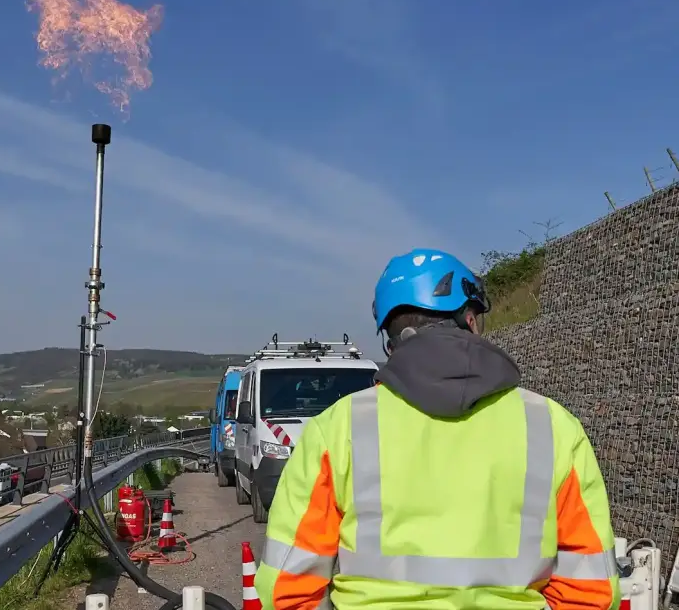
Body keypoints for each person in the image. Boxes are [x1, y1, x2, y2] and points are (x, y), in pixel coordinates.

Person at [253, 248, 620, 610]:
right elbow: (591, 589)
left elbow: (287, 588)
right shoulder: (553, 425)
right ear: (471, 321)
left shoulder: (337, 428)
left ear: (391, 338)